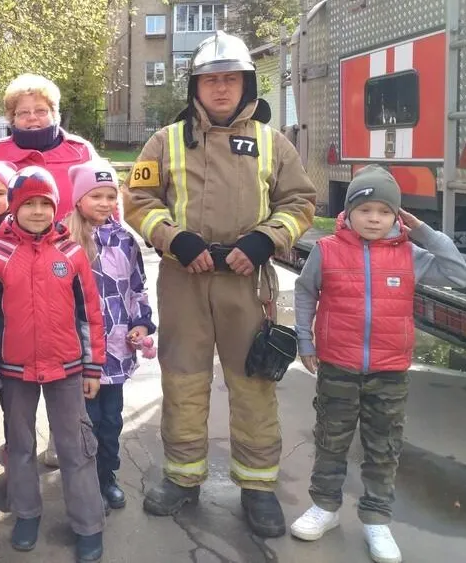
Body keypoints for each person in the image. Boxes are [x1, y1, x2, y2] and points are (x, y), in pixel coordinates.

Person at [123, 31, 316, 538]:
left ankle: (258, 486)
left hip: (247, 283)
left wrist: (265, 240)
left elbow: (300, 203)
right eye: (211, 80)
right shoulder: (164, 141)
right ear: (196, 88)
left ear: (247, 84)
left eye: (231, 79)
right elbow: (138, 200)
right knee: (182, 379)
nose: (222, 88)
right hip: (184, 280)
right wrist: (175, 240)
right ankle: (182, 476)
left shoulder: (273, 143)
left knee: (254, 383)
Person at [289, 166, 466, 563]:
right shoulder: (327, 250)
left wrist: (424, 232)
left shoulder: (410, 255)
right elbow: (305, 292)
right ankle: (324, 507)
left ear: (397, 216)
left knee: (383, 446)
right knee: (331, 440)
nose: (374, 219)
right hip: (338, 365)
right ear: (348, 212)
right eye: (365, 210)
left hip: (389, 370)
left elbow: (459, 274)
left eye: (385, 211)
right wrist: (305, 340)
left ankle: (376, 519)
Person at [0, 166, 107, 562]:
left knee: (76, 447)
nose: (37, 211)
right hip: (14, 370)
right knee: (19, 445)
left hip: (66, 368)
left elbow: (89, 314)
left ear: (55, 207)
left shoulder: (71, 253)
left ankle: (88, 523)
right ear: (13, 208)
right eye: (28, 204)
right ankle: (26, 513)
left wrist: (92, 366)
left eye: (45, 204)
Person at [65, 160, 155, 511]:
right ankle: (84, 483)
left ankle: (107, 476)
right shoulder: (65, 240)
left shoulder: (125, 240)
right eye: (96, 196)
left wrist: (141, 324)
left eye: (110, 196)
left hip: (116, 350)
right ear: (78, 199)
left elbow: (137, 287)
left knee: (111, 420)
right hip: (78, 351)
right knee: (84, 422)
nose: (104, 203)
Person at [0, 74, 98, 222]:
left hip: (73, 235)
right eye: (24, 112)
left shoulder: (81, 151)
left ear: (54, 113)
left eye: (41, 111)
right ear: (13, 118)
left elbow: (108, 198)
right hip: (8, 236)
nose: (32, 117)